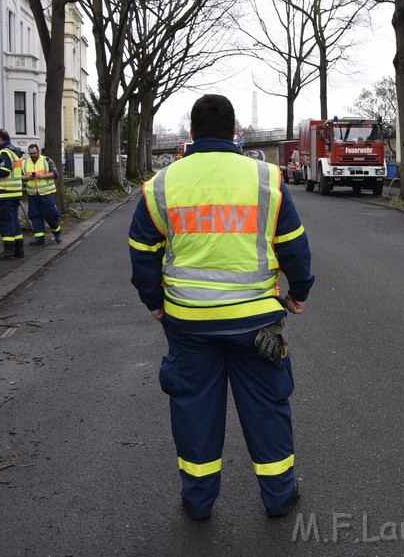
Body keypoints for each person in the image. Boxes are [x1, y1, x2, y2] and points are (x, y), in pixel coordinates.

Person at [129, 94, 314, 521]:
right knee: (266, 407)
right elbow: (295, 249)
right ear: (234, 131)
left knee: (194, 409)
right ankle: (279, 498)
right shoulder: (266, 179)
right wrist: (298, 293)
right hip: (256, 324)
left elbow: (142, 252)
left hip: (188, 323)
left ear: (192, 132)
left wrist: (154, 303)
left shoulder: (162, 184)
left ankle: (197, 503)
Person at [0, 129, 26, 260]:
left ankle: (8, 251)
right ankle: (19, 250)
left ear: (1, 139)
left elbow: (4, 170)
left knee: (5, 222)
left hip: (4, 193)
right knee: (14, 221)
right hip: (14, 193)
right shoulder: (14, 152)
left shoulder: (4, 152)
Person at [22, 144, 63, 246]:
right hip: (33, 195)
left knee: (51, 215)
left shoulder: (47, 160)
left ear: (38, 151)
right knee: (35, 216)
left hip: (46, 194)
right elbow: (20, 176)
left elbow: (55, 174)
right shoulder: (25, 163)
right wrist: (28, 178)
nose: (33, 155)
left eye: (35, 153)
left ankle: (57, 233)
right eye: (31, 153)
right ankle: (39, 239)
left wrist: (43, 176)